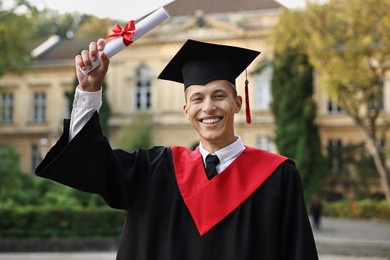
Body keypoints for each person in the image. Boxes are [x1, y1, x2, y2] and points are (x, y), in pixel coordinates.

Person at [36, 38, 318, 259]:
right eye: (198, 99)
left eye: (219, 96)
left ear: (237, 103)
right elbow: (88, 161)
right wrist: (89, 90)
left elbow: (298, 252)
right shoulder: (153, 171)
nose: (208, 107)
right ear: (186, 110)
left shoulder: (278, 176)